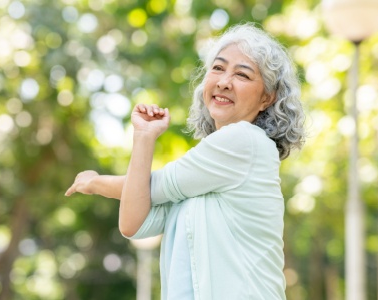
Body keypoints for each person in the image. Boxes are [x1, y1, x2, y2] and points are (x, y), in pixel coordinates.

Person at [65, 23, 305, 299]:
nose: (224, 81)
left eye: (242, 74)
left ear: (267, 98)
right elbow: (133, 223)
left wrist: (94, 182)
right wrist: (144, 137)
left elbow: (156, 186)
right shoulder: (202, 174)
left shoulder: (245, 141)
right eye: (218, 68)